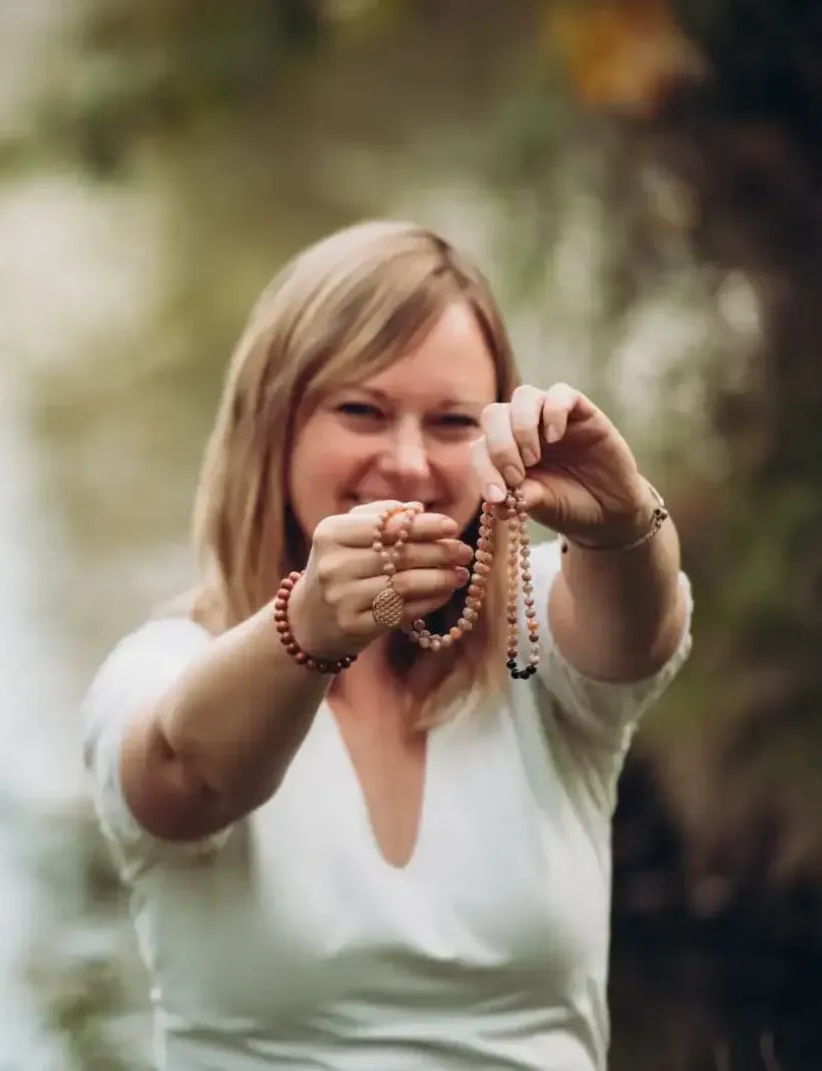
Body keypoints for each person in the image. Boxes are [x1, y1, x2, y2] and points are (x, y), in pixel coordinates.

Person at [82, 220, 692, 1070]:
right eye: (361, 410)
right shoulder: (162, 666)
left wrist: (628, 523)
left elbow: (640, 626)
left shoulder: (531, 627)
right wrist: (306, 633)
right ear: (273, 427)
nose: (407, 464)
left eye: (450, 422)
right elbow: (190, 773)